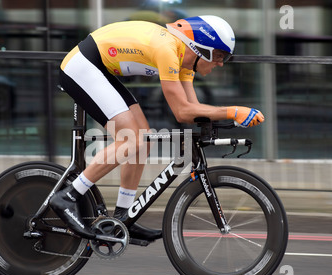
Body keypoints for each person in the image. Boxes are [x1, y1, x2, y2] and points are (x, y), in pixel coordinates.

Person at [50, 15, 265, 241]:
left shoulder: (184, 61)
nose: (221, 63)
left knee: (145, 141)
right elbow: (181, 112)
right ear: (202, 48)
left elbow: (193, 110)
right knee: (131, 140)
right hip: (82, 67)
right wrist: (233, 111)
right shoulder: (168, 50)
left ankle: (123, 217)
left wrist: (231, 118)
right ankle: (68, 196)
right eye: (220, 56)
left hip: (100, 69)